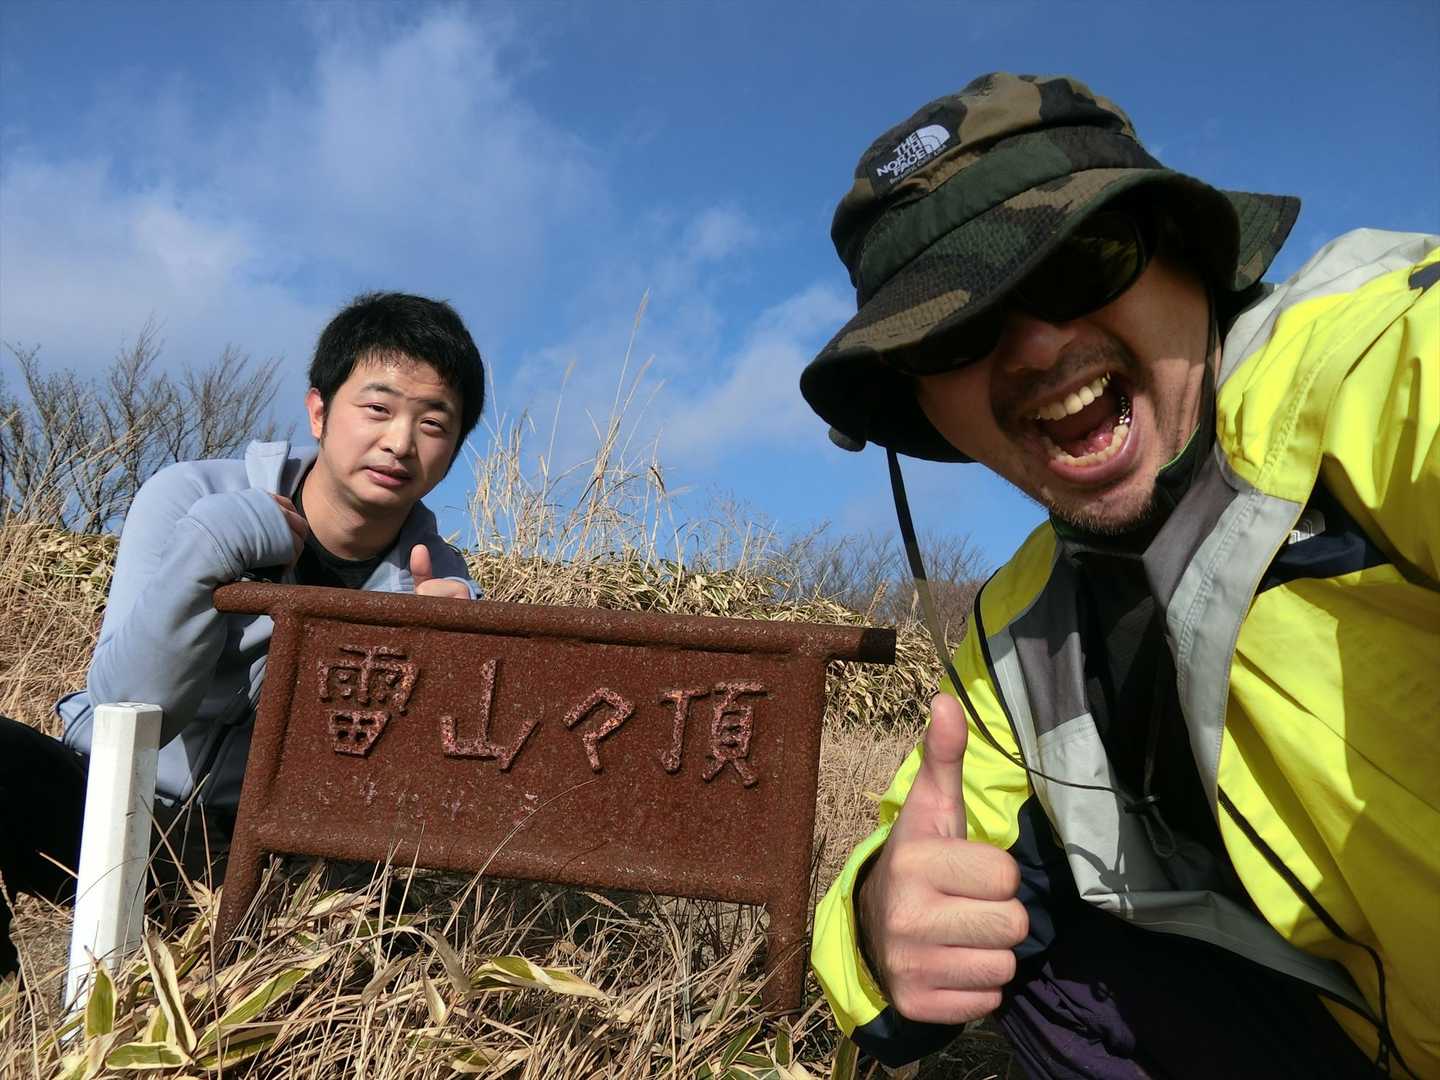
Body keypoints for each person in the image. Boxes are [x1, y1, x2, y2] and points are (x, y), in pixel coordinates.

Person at [802, 73, 1437, 1078]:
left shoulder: (1370, 370)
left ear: (1188, 254)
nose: (1037, 345)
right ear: (920, 400)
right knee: (1040, 946)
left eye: (1082, 259)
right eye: (954, 327)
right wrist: (887, 919)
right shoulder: (1023, 622)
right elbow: (921, 854)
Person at [0, 291, 486, 979]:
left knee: (411, 951)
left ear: (454, 449)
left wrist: (445, 661)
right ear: (319, 412)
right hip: (110, 801)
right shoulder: (191, 499)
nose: (400, 442)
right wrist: (207, 553)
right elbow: (127, 710)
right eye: (378, 409)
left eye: (433, 423)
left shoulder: (442, 586)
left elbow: (409, 797)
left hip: (270, 856)